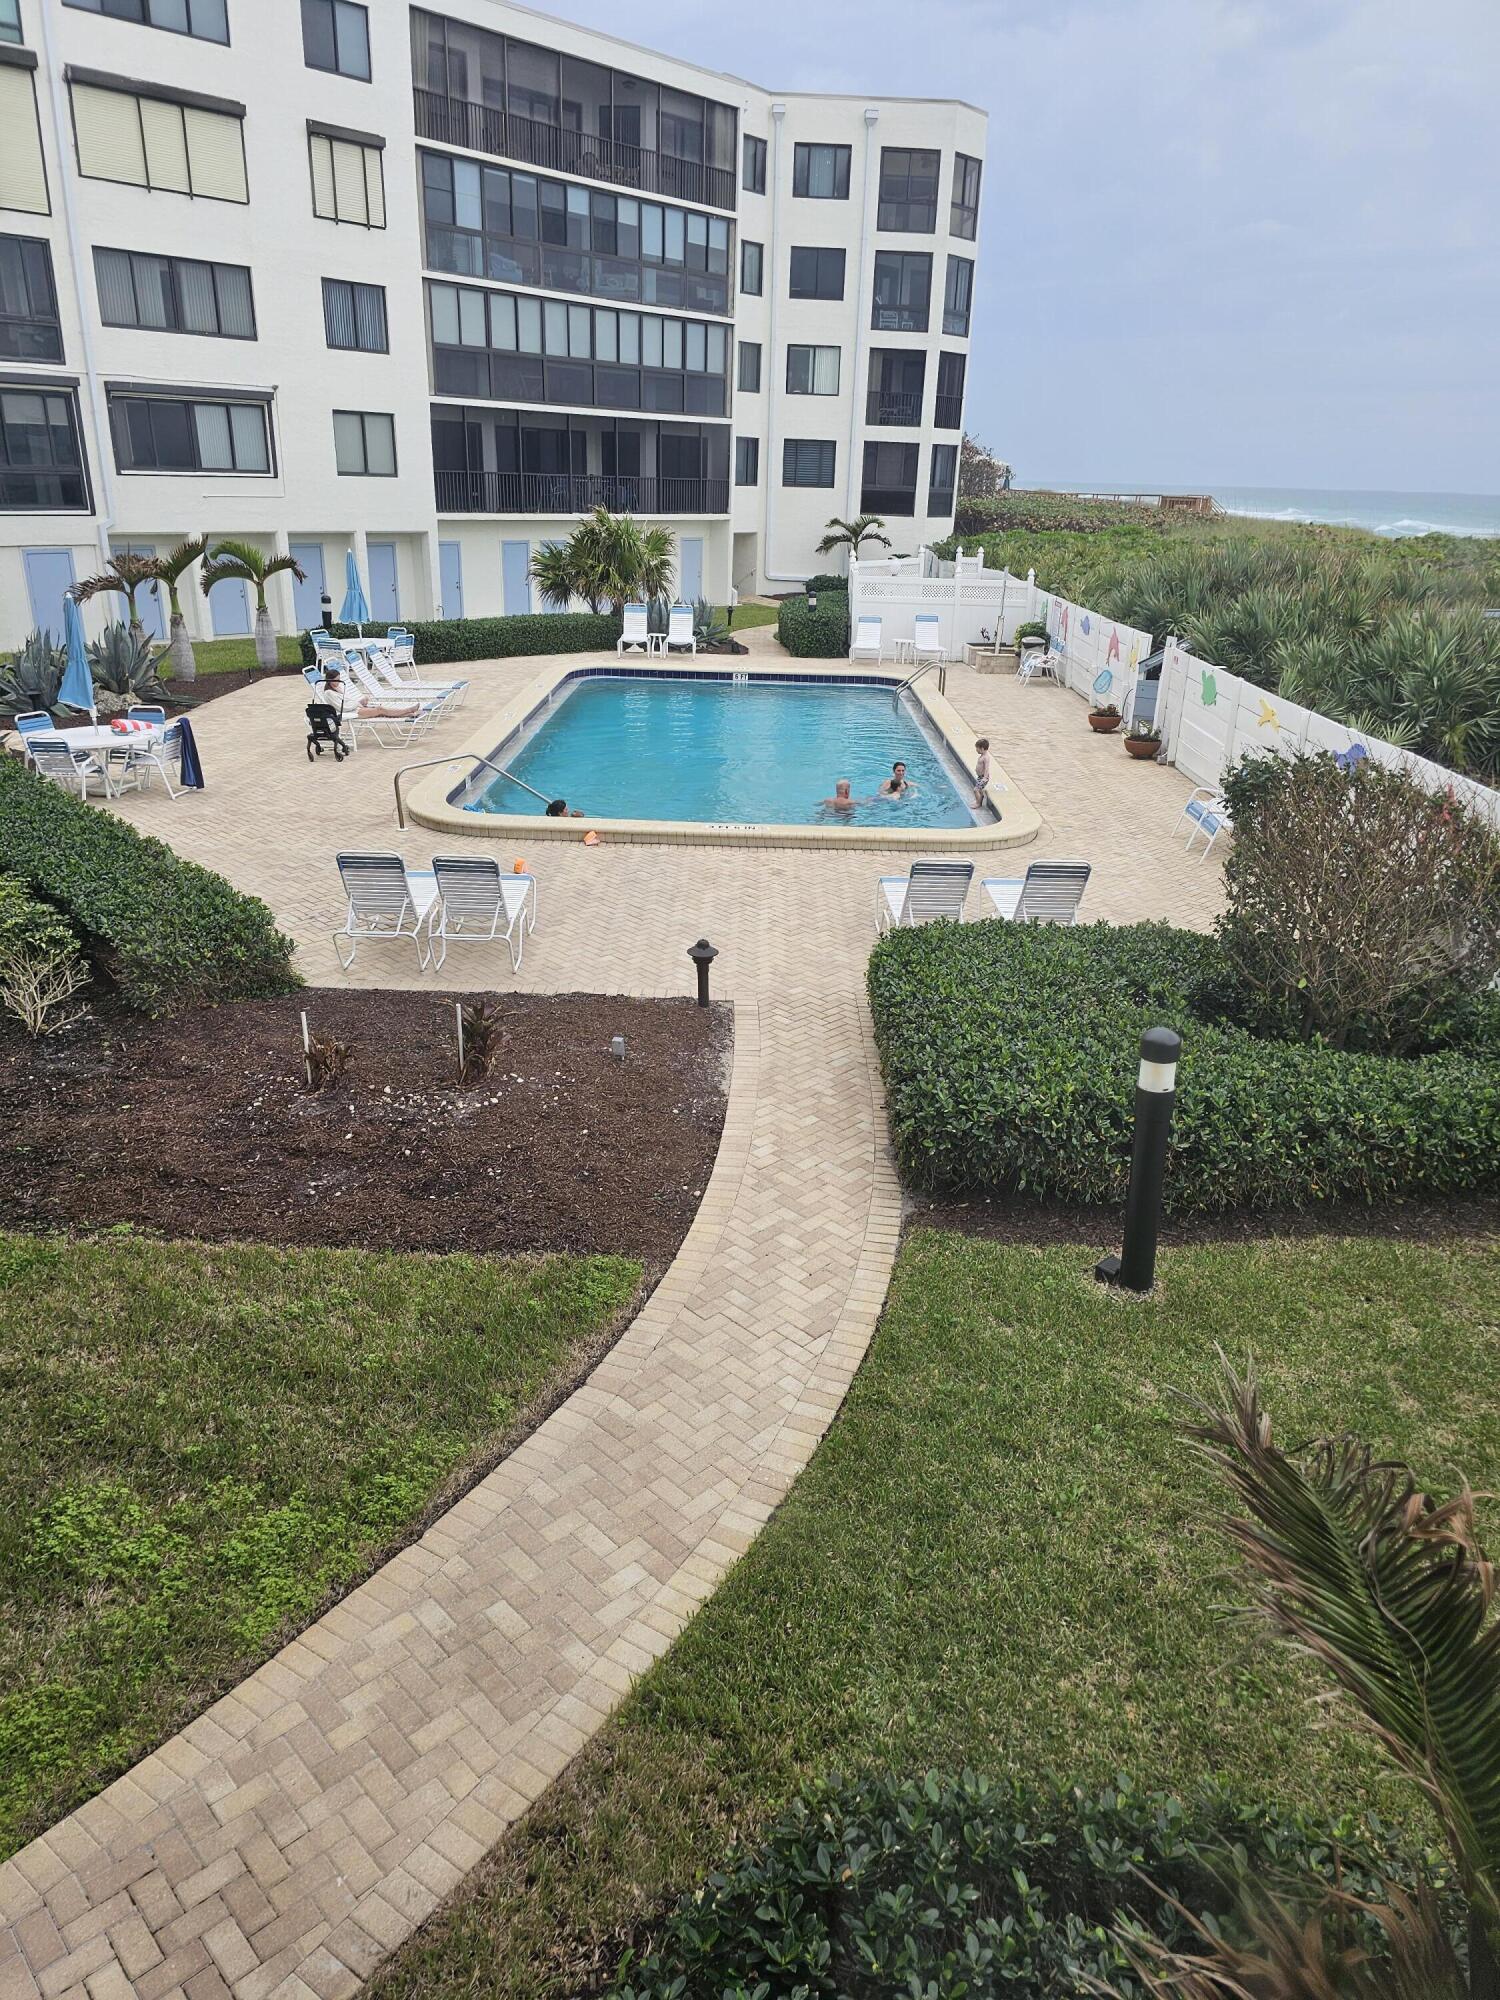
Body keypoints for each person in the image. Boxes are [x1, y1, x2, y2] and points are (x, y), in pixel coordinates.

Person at [321, 667, 419, 722]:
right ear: (329, 680)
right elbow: (342, 707)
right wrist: (358, 704)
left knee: (381, 710)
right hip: (351, 713)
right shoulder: (328, 693)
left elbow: (347, 701)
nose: (338, 681)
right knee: (380, 710)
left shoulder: (338, 688)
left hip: (356, 709)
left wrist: (360, 702)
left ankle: (409, 714)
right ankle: (408, 710)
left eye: (339, 679)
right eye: (336, 679)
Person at [972, 737, 992, 809]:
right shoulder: (982, 755)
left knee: (976, 790)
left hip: (983, 777)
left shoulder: (986, 757)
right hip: (980, 777)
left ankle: (978, 803)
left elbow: (987, 768)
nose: (976, 750)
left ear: (982, 748)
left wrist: (985, 778)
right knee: (979, 790)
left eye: (977, 748)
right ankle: (980, 799)